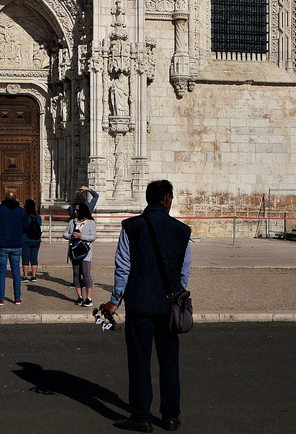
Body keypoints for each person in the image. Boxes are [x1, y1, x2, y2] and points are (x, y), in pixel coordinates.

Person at [101, 179, 192, 433]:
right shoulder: (181, 231)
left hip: (140, 306)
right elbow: (184, 272)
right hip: (169, 306)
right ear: (166, 199)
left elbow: (123, 267)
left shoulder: (131, 227)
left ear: (149, 198)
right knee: (169, 361)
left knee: (140, 361)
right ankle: (171, 416)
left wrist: (115, 301)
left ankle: (142, 415)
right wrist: (175, 295)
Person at [0, 189, 29, 306]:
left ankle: (0, 298)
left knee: (1, 272)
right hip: (16, 244)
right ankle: (17, 298)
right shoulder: (21, 211)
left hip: (2, 244)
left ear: (5, 198)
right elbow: (26, 227)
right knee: (16, 271)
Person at [63, 201, 96, 306]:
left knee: (86, 273)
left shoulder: (90, 222)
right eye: (75, 210)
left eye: (77, 210)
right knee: (76, 274)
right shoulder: (72, 222)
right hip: (75, 251)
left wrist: (81, 236)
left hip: (86, 252)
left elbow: (93, 237)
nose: (75, 211)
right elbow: (65, 234)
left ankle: (89, 298)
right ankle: (79, 297)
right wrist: (71, 236)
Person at [21, 199, 42, 282]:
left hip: (25, 239)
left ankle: (25, 276)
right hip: (36, 240)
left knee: (25, 258)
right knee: (34, 258)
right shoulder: (38, 217)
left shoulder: (24, 216)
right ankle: (33, 276)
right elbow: (40, 227)